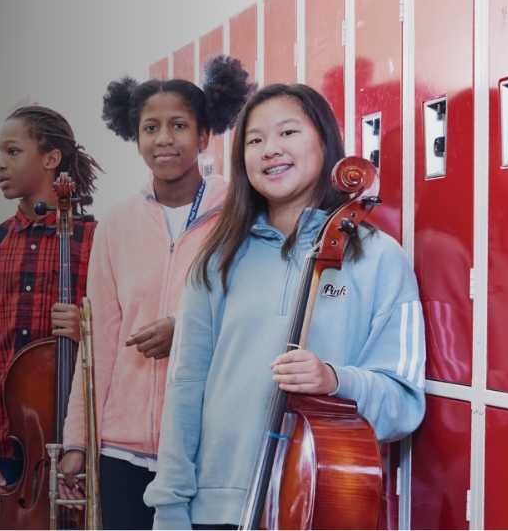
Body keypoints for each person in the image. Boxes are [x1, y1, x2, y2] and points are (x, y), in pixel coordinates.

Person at [143, 83, 427, 530]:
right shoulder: (217, 261)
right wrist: (170, 508)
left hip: (315, 503)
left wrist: (334, 380)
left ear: (323, 141)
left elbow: (404, 401)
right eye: (255, 140)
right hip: (216, 511)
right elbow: (186, 386)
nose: (270, 150)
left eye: (288, 133)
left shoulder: (378, 258)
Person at [55, 55, 254, 529]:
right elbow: (99, 341)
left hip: (206, 444)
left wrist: (183, 330)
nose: (164, 138)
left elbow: (253, 318)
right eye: (150, 127)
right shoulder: (115, 225)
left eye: (179, 125)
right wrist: (78, 441)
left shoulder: (238, 215)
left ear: (205, 135)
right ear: (136, 137)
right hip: (122, 449)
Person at [0, 106, 101, 528]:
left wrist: (87, 333)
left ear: (50, 159)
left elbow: (122, 333)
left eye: (12, 151)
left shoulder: (97, 239)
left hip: (76, 438)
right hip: (6, 437)